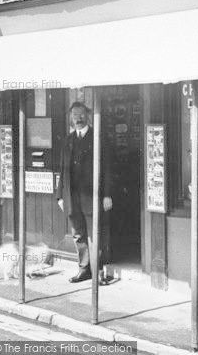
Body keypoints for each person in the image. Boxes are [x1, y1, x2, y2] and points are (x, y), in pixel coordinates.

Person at [56, 102, 113, 283]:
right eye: (74, 116)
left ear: (87, 116)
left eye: (81, 115)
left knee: (95, 232)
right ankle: (84, 269)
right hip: (72, 197)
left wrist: (108, 195)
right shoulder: (67, 141)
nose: (78, 119)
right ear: (71, 118)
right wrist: (60, 196)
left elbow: (109, 169)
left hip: (93, 196)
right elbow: (62, 170)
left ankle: (99, 271)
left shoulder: (98, 138)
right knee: (78, 233)